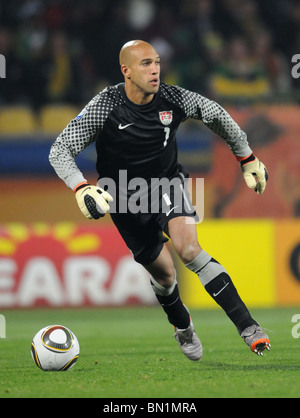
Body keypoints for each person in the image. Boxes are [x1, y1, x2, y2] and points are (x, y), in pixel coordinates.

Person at [49, 40, 270, 361]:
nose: (154, 70)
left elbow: (217, 115)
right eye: (144, 64)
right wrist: (80, 187)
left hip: (167, 183)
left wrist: (246, 157)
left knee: (189, 250)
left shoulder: (173, 97)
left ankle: (248, 326)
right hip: (123, 197)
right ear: (125, 70)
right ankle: (182, 325)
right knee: (165, 276)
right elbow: (60, 149)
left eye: (156, 62)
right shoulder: (105, 106)